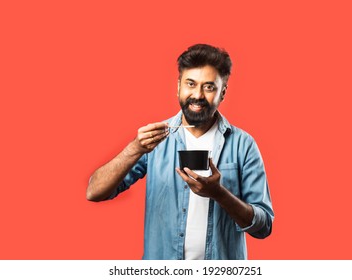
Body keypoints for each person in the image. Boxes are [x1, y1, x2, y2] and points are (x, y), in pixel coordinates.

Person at [87, 44, 274, 260]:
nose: (197, 95)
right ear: (178, 86)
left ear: (223, 92)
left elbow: (263, 226)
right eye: (191, 84)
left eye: (209, 87)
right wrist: (134, 149)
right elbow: (94, 192)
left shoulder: (243, 144)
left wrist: (219, 194)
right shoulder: (155, 139)